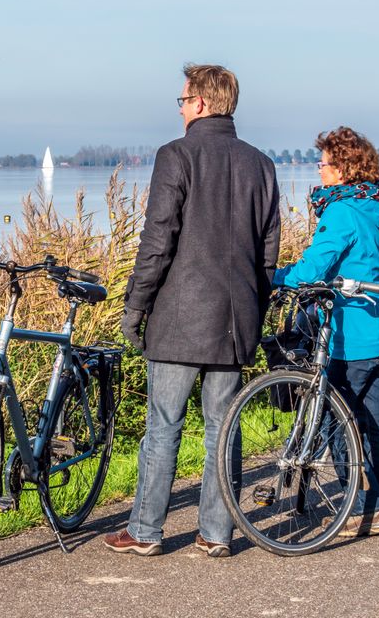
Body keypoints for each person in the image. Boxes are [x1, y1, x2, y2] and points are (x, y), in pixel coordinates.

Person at [104, 64, 281, 559]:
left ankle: (144, 531)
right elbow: (269, 252)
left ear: (201, 103)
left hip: (180, 319)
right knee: (225, 428)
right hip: (234, 321)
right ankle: (217, 533)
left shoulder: (176, 155)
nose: (180, 108)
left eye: (182, 100)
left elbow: (157, 241)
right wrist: (255, 309)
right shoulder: (261, 164)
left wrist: (135, 306)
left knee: (163, 425)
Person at [273, 126, 379, 537]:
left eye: (324, 163)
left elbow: (311, 270)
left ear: (343, 168)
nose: (319, 168)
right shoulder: (374, 207)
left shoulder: (342, 212)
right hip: (378, 327)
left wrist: (271, 277)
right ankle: (376, 507)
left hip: (348, 333)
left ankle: (361, 508)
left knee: (337, 417)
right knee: (371, 420)